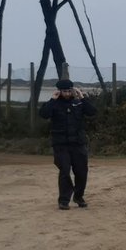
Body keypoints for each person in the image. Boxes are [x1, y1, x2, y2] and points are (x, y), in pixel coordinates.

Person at [39, 79, 96, 210]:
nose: (67, 93)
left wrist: (82, 97)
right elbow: (43, 114)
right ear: (59, 91)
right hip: (61, 144)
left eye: (69, 91)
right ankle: (64, 200)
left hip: (78, 143)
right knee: (64, 171)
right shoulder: (53, 104)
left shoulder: (78, 103)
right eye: (64, 91)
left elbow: (92, 112)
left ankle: (78, 196)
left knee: (81, 172)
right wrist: (52, 100)